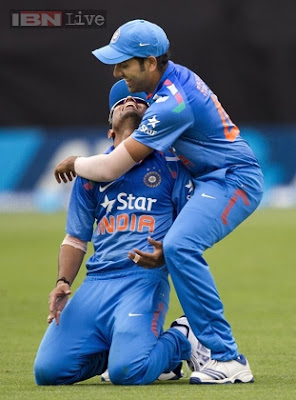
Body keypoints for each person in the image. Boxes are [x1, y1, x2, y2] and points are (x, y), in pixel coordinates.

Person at [54, 19, 264, 384]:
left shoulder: (171, 103)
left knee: (180, 246)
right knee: (177, 246)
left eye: (125, 64)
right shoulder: (168, 82)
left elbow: (111, 166)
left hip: (233, 179)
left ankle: (227, 358)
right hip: (210, 178)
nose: (117, 72)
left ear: (150, 62)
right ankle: (166, 357)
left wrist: (75, 162)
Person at [34, 80, 210, 386]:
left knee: (128, 373)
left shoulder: (171, 164)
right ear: (110, 131)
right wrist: (62, 282)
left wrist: (167, 253)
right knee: (48, 373)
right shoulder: (89, 173)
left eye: (140, 101)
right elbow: (75, 238)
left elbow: (192, 226)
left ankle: (183, 338)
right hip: (96, 283)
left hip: (142, 281)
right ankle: (127, 348)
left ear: (154, 122)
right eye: (120, 102)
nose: (130, 102)